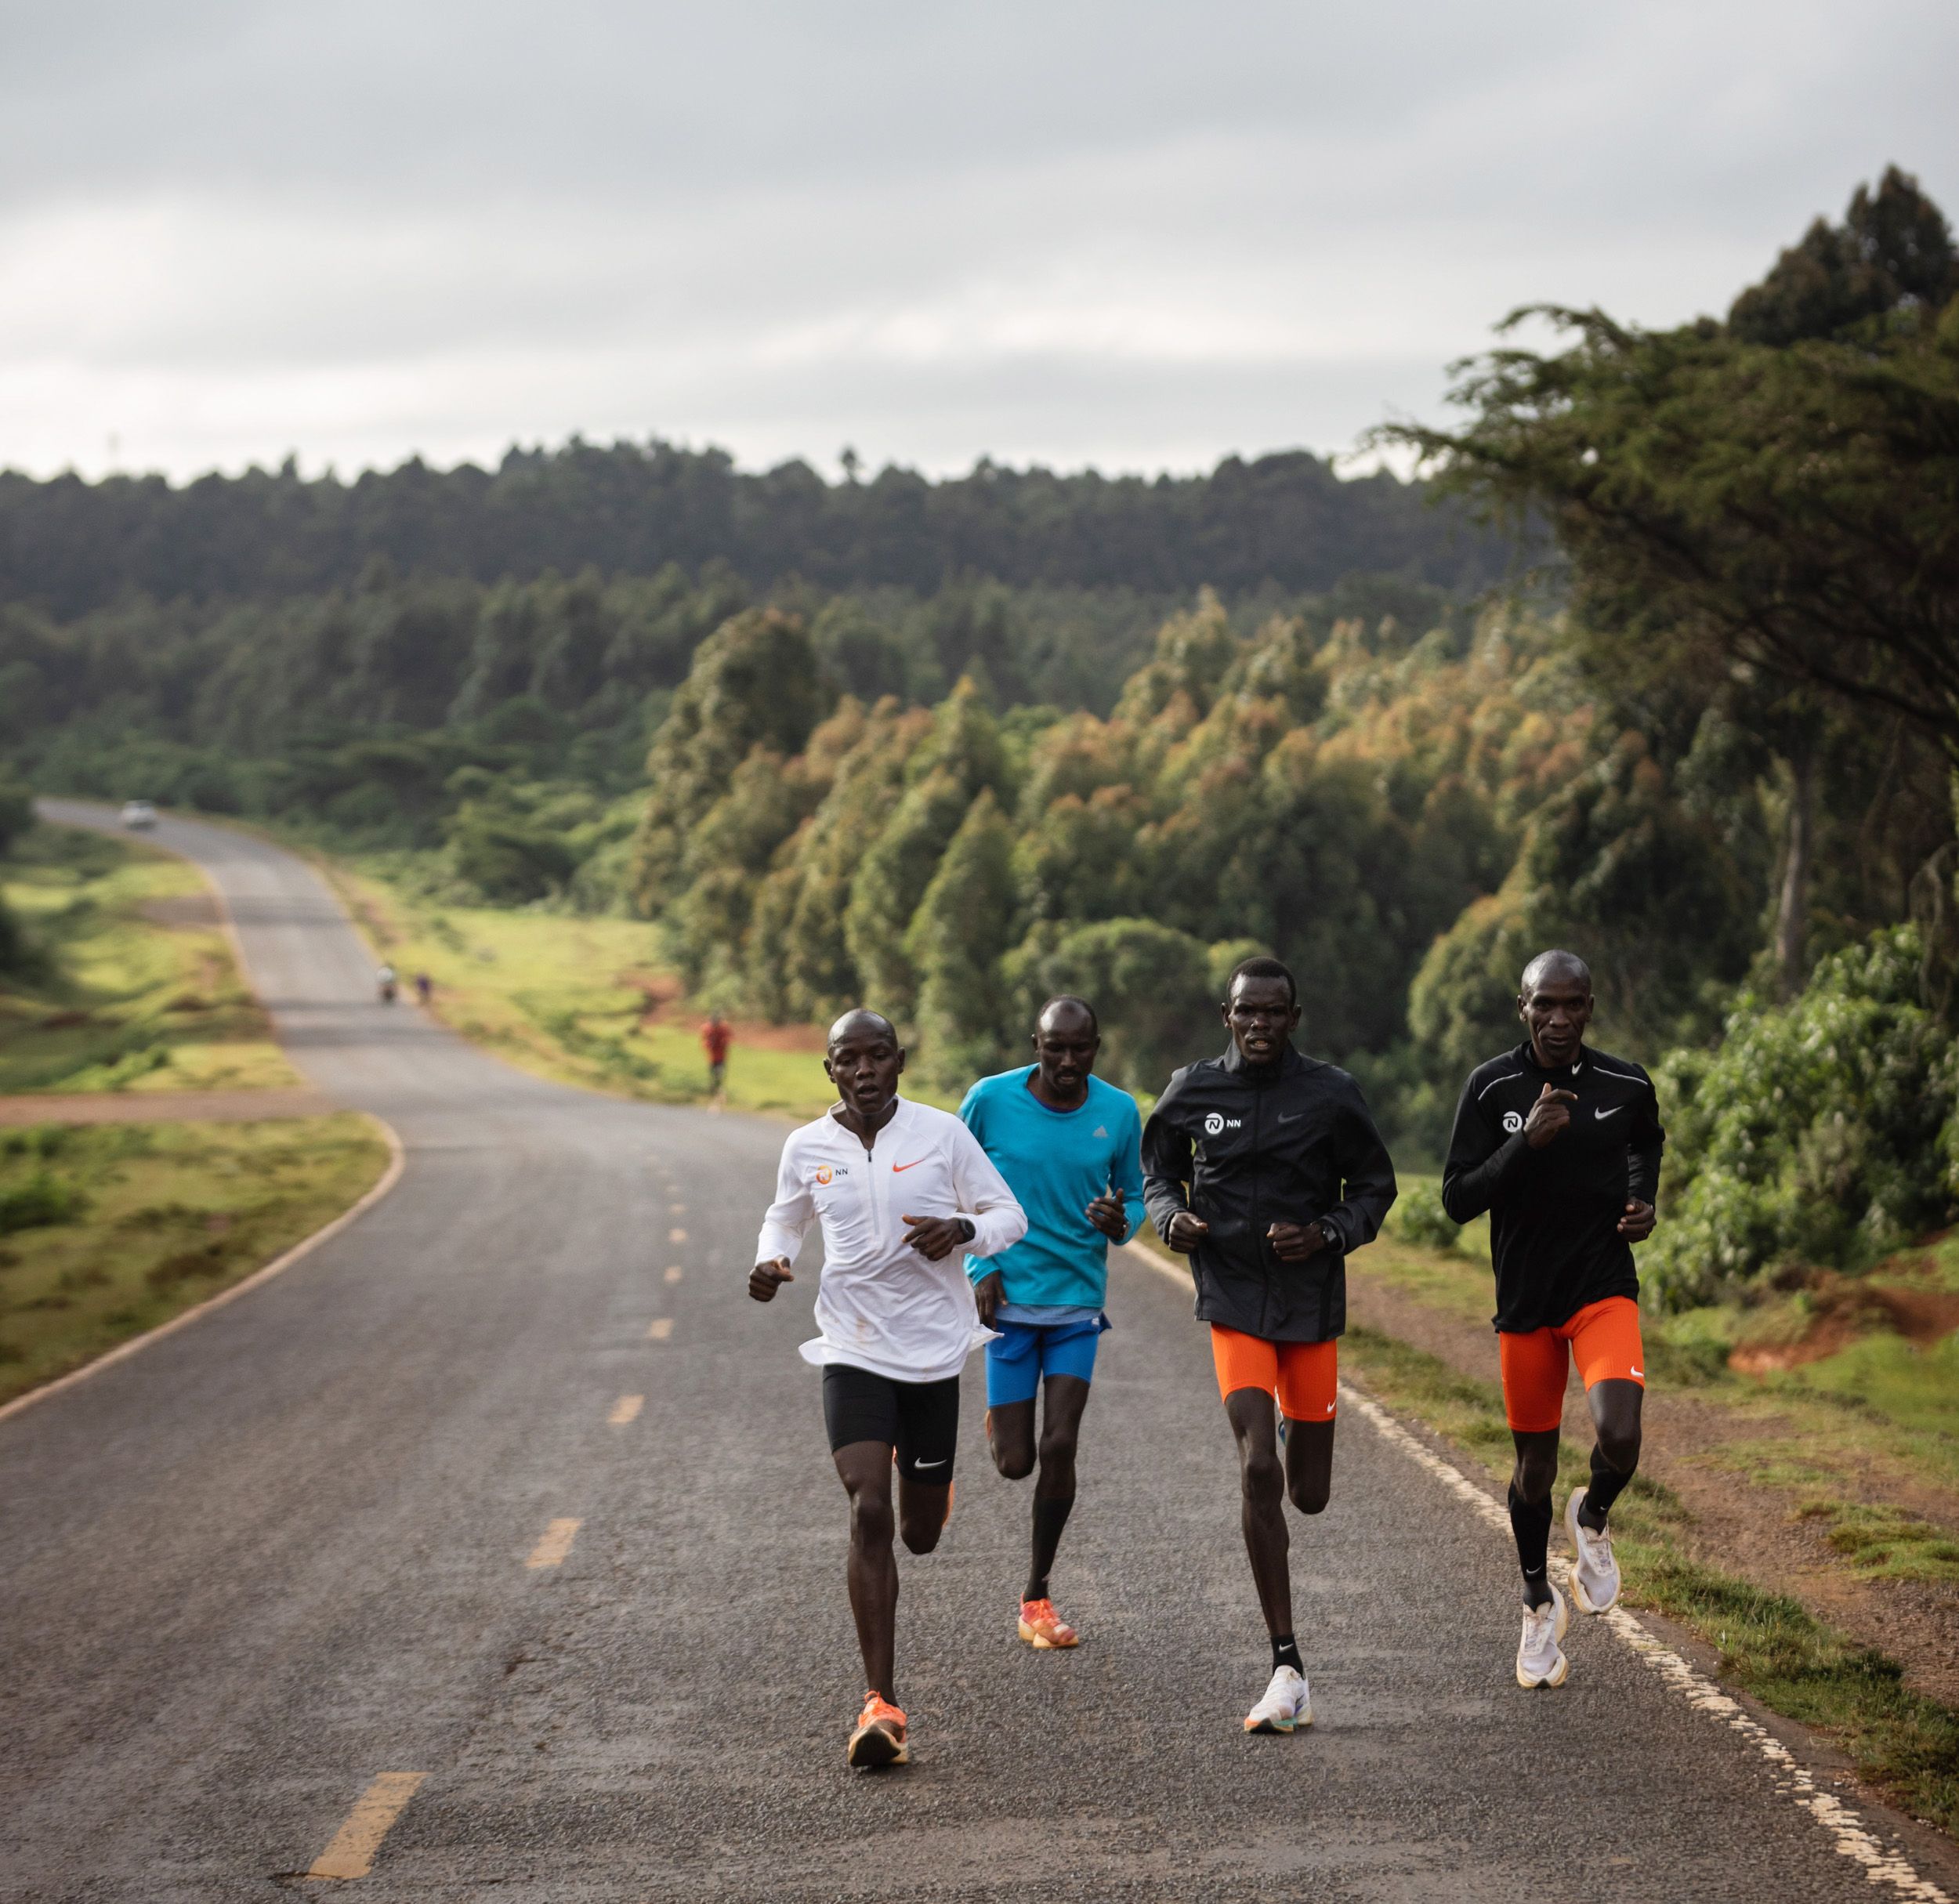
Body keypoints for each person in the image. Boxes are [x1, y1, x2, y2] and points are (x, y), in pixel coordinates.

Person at [751, 1009, 1027, 1768]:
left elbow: (1010, 1215)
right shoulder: (807, 1147)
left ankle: (933, 1487)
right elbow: (784, 1221)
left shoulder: (941, 1135)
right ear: (830, 1070)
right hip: (852, 1346)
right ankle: (880, 1702)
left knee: (918, 1534)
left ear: (899, 1062)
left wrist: (962, 1232)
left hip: (935, 1353)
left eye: (878, 1057)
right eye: (849, 1060)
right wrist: (771, 1261)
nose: (865, 1070)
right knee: (868, 1508)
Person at [1142, 956, 1396, 1735]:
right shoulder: (1193, 1089)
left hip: (1310, 1300)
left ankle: (1295, 1428)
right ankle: (1286, 1665)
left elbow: (1375, 1189)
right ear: (1227, 1016)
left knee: (1306, 1492)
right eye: (1245, 1013)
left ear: (1293, 1017)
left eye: (1272, 1013)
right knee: (1257, 1467)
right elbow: (1156, 1171)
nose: (1258, 1025)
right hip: (1233, 1298)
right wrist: (1169, 1218)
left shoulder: (1331, 1093)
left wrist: (1327, 1231)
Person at [1440, 949, 1663, 1690]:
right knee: (1532, 1470)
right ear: (1523, 1006)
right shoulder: (1491, 1086)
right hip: (1526, 1302)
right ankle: (1537, 1600)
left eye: (1573, 1005)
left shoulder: (1625, 1083)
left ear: (1590, 1008)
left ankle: (1594, 1516)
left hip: (1602, 1287)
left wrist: (1642, 1201)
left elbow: (1645, 1143)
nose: (1559, 1019)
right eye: (1545, 1005)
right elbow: (1458, 1198)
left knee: (1621, 1433)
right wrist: (1521, 1144)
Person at [958, 996, 1145, 1651]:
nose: (1068, 1061)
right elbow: (949, 1184)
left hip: (1075, 1306)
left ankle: (1036, 1592)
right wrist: (980, 1272)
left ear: (1098, 1046)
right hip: (1007, 1304)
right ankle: (1000, 1424)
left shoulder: (1119, 1112)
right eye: (1055, 1047)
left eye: (1082, 1048)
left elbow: (1138, 1191)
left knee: (1060, 1446)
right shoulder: (989, 1100)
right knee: (1016, 1462)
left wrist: (1124, 1222)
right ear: (1034, 1043)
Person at [702, 1013, 732, 1099]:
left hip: (721, 1056)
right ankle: (713, 1091)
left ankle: (719, 1090)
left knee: (720, 1073)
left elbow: (728, 1039)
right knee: (712, 1074)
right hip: (712, 1057)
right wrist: (709, 1044)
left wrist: (723, 1043)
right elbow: (705, 1042)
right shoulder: (707, 1029)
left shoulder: (723, 1028)